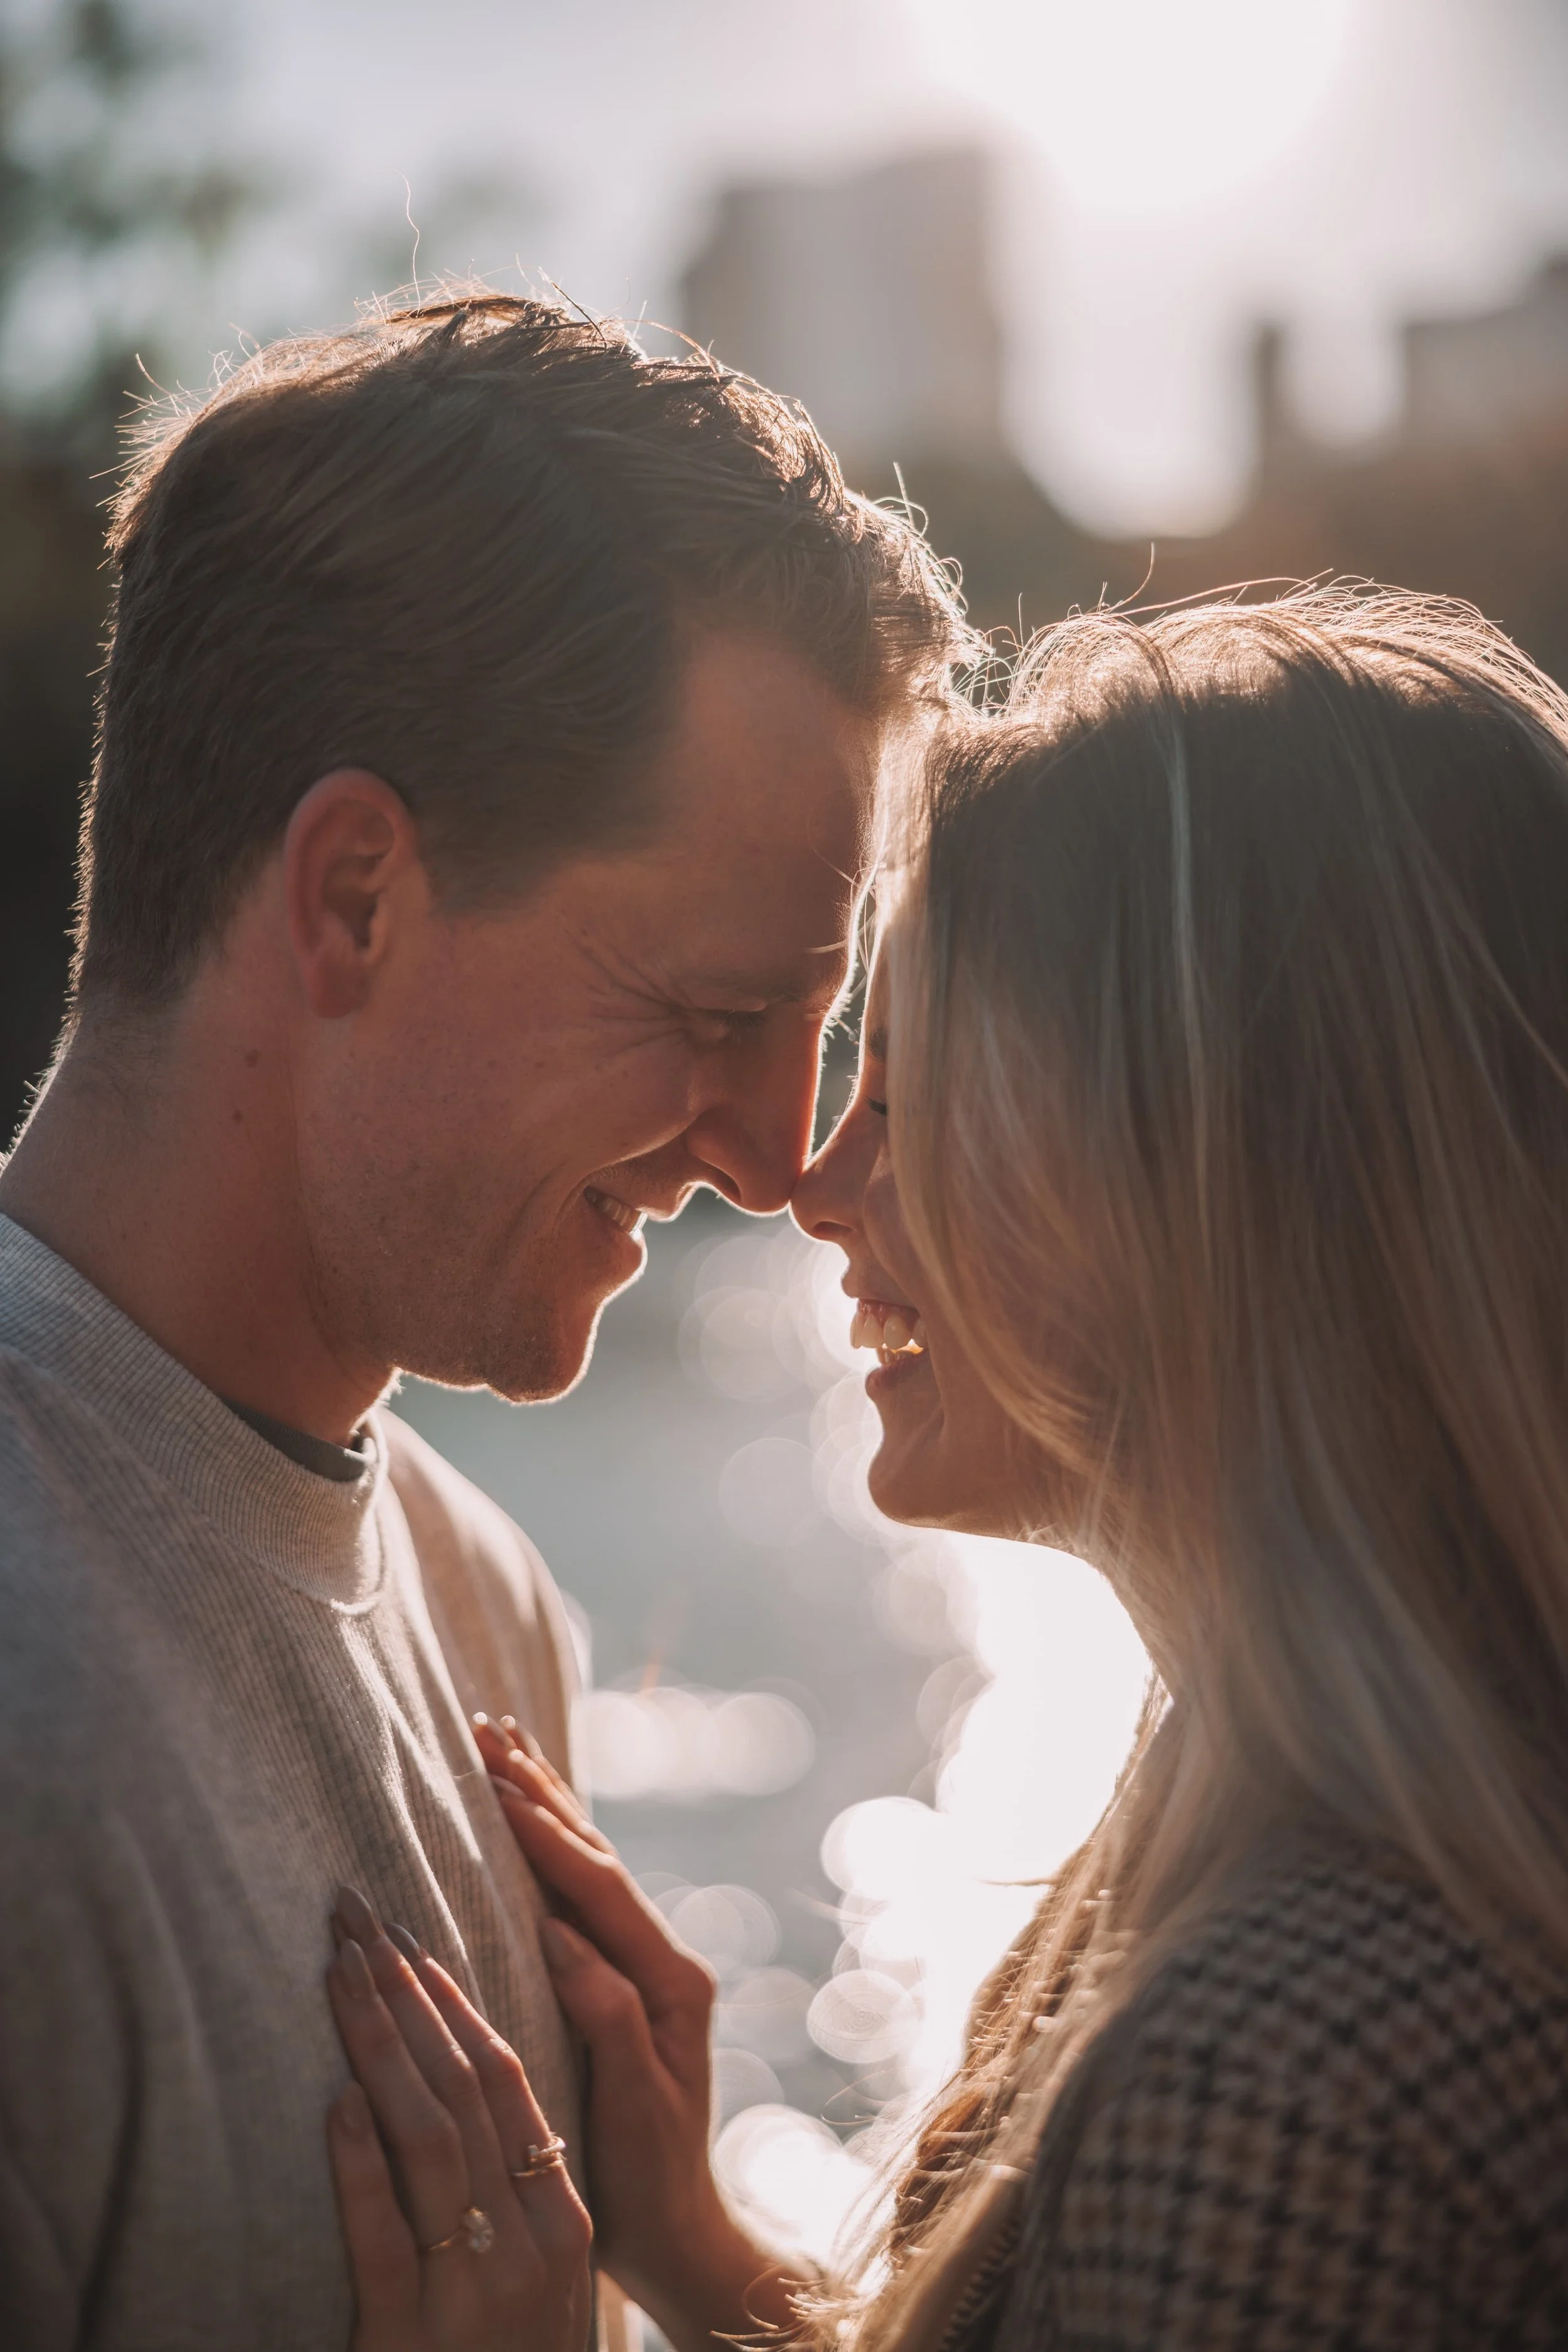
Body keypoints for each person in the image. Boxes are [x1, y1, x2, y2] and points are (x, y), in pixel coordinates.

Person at [338, 587, 1568, 2348]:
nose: (811, 1187)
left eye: (908, 1094)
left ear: (1200, 1173)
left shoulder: (1281, 2075)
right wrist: (688, 2242)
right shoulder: (1295, 1840)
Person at [0, 290, 969, 2349]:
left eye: (819, 1026)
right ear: (352, 893)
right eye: (716, 1016)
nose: (781, 1160)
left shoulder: (486, 1600)